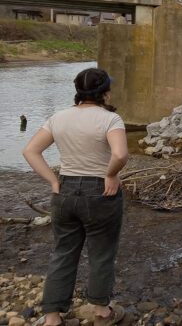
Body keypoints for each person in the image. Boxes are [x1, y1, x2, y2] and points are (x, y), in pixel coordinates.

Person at [23, 68, 128, 326]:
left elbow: (30, 151)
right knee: (101, 253)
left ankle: (52, 318)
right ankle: (102, 312)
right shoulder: (110, 120)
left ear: (78, 93)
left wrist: (53, 180)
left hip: (65, 192)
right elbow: (120, 155)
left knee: (63, 253)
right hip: (100, 193)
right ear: (105, 93)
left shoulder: (58, 117)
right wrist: (111, 174)